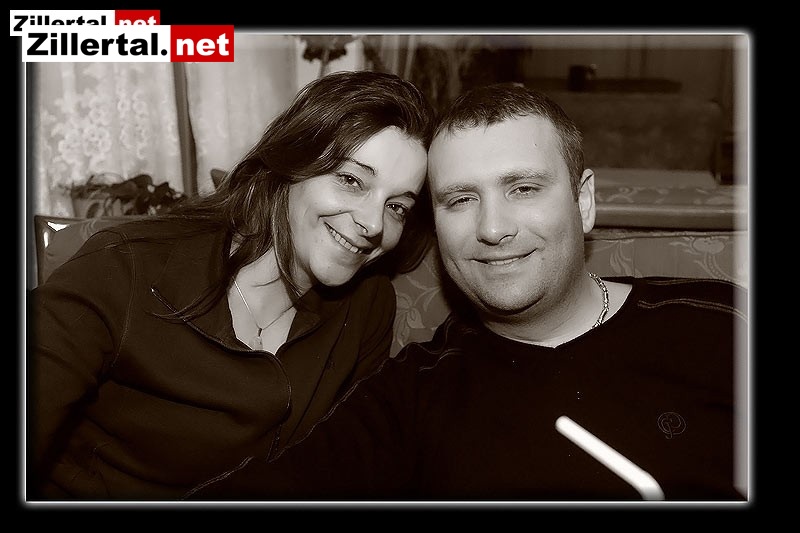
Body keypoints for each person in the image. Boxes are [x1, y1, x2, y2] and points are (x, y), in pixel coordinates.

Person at [184, 82, 748, 502]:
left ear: (583, 202)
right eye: (460, 200)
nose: (493, 229)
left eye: (523, 188)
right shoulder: (414, 393)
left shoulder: (722, 322)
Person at [30, 70, 435, 500]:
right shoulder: (125, 266)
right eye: (351, 180)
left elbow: (346, 467)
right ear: (292, 162)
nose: (373, 224)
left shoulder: (368, 304)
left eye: (397, 206)